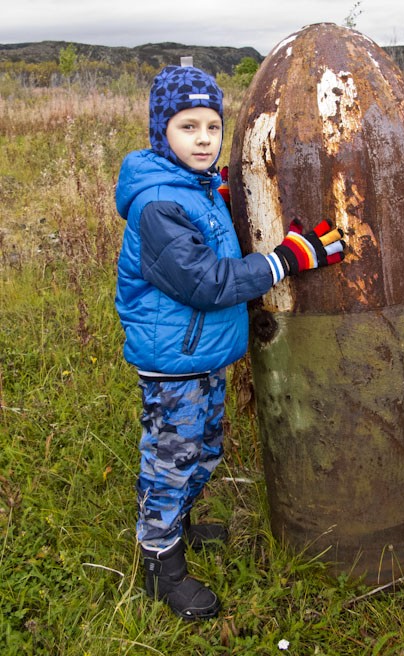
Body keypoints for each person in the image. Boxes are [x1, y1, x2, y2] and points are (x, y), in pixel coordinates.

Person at [114, 63, 346, 621]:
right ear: (160, 133)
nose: (203, 139)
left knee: (205, 447)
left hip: (203, 354)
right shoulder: (157, 205)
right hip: (173, 362)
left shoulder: (196, 189)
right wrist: (287, 259)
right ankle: (158, 564)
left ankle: (181, 526)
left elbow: (216, 242)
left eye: (212, 127)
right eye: (187, 127)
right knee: (172, 459)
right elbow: (207, 282)